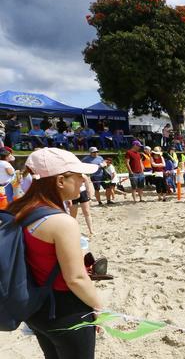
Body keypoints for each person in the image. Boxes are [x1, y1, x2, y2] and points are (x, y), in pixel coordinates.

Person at [8, 148, 103, 358]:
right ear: (60, 181)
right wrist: (97, 306)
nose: (83, 180)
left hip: (35, 306)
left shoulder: (19, 210)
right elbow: (76, 278)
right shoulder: (61, 222)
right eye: (78, 176)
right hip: (66, 310)